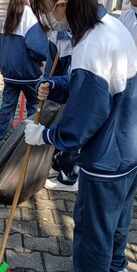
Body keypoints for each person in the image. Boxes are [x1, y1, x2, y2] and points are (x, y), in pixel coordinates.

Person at [24, 0, 137, 272]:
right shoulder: (108, 25)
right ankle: (115, 268)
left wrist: (45, 135)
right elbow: (97, 86)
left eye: (44, 6)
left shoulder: (91, 45)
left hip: (111, 152)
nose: (44, 16)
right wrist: (57, 85)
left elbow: (85, 117)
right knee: (119, 214)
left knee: (92, 226)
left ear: (62, 2)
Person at [0, 0, 47, 150]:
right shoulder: (32, 16)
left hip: (9, 73)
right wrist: (42, 59)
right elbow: (38, 48)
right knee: (34, 106)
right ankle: (29, 143)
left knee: (7, 108)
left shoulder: (10, 14)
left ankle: (0, 141)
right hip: (28, 74)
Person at [43, 29, 80, 192]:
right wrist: (49, 84)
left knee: (73, 126)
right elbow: (53, 65)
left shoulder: (89, 35)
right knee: (62, 121)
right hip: (67, 77)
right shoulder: (58, 32)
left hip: (82, 89)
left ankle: (68, 178)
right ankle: (58, 165)